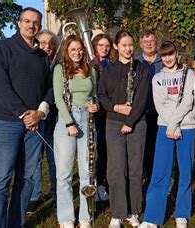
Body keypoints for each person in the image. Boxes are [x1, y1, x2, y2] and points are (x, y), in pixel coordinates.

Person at [0, 7, 53, 227]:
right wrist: (24, 114)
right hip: (7, 122)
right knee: (1, 181)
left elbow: (50, 88)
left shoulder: (42, 56)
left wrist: (41, 111)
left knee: (27, 178)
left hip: (35, 124)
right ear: (18, 23)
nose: (31, 25)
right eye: (27, 21)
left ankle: (16, 223)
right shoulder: (2, 48)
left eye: (36, 22)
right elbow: (1, 87)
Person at [141, 41, 195, 228]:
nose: (168, 58)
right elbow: (160, 104)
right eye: (164, 56)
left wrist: (176, 125)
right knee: (160, 172)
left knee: (185, 171)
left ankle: (182, 213)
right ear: (160, 57)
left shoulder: (189, 74)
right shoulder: (157, 78)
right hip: (165, 128)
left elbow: (188, 101)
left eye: (170, 54)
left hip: (186, 127)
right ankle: (152, 217)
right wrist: (171, 126)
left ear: (176, 54)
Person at [98, 30, 148, 227]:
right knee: (116, 169)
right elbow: (102, 96)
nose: (128, 49)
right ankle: (117, 213)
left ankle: (134, 211)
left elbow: (142, 97)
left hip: (137, 123)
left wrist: (130, 122)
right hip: (113, 123)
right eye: (124, 45)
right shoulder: (108, 70)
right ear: (116, 46)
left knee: (135, 169)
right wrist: (115, 107)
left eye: (130, 45)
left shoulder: (141, 69)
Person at [52, 35, 99, 228]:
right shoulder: (60, 69)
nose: (77, 53)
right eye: (73, 49)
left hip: (87, 120)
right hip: (67, 120)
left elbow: (94, 94)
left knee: (88, 171)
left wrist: (96, 104)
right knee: (64, 174)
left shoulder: (91, 69)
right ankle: (66, 218)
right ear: (66, 50)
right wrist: (70, 123)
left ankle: (85, 217)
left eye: (80, 49)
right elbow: (58, 99)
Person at [28, 29, 60, 215]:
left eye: (51, 44)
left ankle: (58, 195)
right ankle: (34, 196)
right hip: (36, 116)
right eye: (43, 43)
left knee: (55, 159)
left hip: (55, 118)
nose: (47, 47)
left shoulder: (59, 65)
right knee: (34, 159)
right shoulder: (31, 63)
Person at [135, 30, 163, 186]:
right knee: (144, 147)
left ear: (156, 42)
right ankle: (145, 176)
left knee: (159, 149)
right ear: (141, 44)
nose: (149, 44)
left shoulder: (163, 60)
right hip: (143, 112)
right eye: (145, 42)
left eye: (151, 41)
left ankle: (158, 177)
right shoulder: (136, 61)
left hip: (161, 113)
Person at [91, 33, 113, 202]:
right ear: (95, 46)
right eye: (101, 45)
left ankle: (102, 184)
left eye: (107, 46)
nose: (104, 49)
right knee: (91, 151)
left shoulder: (111, 65)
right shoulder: (90, 64)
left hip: (108, 113)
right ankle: (91, 184)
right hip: (93, 112)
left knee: (105, 150)